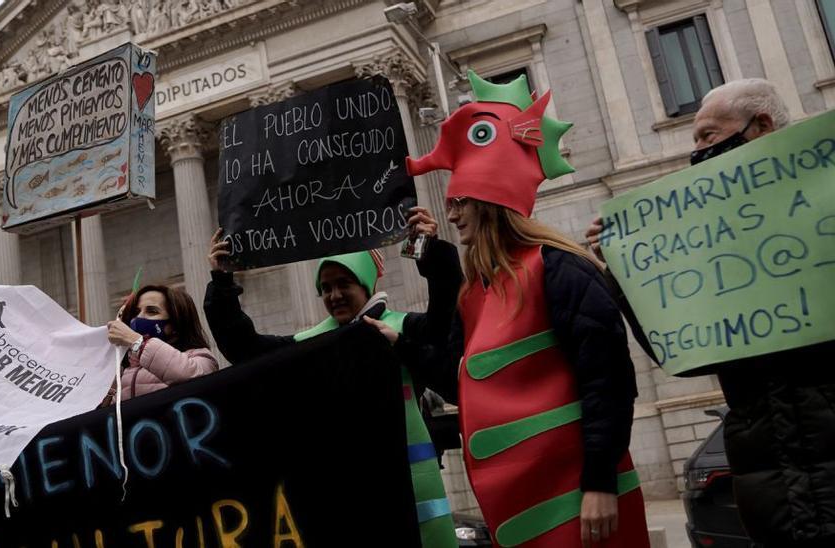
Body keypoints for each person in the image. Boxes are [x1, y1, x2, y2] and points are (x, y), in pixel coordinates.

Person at [586, 79, 834, 547]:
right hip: (774, 499)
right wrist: (624, 269)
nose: (697, 151)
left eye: (708, 136)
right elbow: (682, 351)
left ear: (759, 127)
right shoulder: (716, 243)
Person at [410, 70, 648, 547]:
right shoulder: (474, 292)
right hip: (517, 505)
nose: (451, 213)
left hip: (581, 498)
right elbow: (456, 379)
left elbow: (608, 380)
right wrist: (402, 343)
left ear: (490, 201)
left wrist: (599, 482)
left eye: (460, 202)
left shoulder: (561, 269)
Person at [204, 208, 463, 548]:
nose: (334, 295)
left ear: (366, 284)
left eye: (344, 283)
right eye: (325, 288)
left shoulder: (403, 329)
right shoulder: (312, 344)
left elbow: (445, 323)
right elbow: (245, 348)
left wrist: (428, 249)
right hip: (346, 494)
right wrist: (222, 282)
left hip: (412, 491)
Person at [103, 284, 218, 403]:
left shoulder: (201, 358)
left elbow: (191, 378)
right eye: (136, 312)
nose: (139, 317)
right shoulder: (125, 371)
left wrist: (138, 343)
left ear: (174, 324)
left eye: (152, 311)